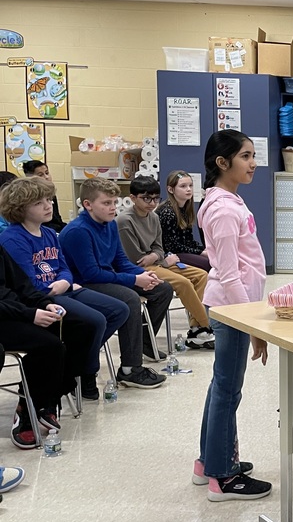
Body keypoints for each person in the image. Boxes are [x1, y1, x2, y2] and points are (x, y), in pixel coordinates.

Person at [0, 177, 129, 400]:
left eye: (49, 200)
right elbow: (27, 284)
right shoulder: (12, 239)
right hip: (42, 296)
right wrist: (60, 285)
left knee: (119, 309)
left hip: (61, 288)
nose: (49, 205)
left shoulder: (49, 233)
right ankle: (85, 372)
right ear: (20, 208)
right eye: (39, 203)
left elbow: (64, 268)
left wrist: (64, 282)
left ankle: (75, 361)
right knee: (94, 321)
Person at [195, 130, 271, 501]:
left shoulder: (229, 202)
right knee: (227, 390)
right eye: (244, 156)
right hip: (231, 309)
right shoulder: (224, 209)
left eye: (253, 154)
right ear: (222, 163)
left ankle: (208, 460)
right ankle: (222, 477)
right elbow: (228, 273)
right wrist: (252, 322)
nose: (253, 163)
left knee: (221, 386)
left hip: (231, 306)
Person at [59, 178, 169, 389]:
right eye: (106, 203)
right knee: (129, 299)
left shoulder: (110, 224)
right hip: (82, 285)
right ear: (88, 204)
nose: (112, 208)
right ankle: (130, 368)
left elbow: (120, 261)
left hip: (104, 277)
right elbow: (91, 274)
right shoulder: (78, 231)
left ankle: (144, 342)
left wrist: (143, 275)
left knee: (162, 288)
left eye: (114, 202)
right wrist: (135, 280)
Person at [1, 245, 101, 448]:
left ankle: (49, 398)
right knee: (50, 345)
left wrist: (44, 303)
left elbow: (22, 285)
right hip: (6, 317)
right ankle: (29, 409)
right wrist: (29, 314)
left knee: (83, 327)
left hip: (17, 311)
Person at [117, 175, 214, 350]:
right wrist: (156, 256)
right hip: (142, 268)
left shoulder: (153, 217)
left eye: (155, 198)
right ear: (132, 198)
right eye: (146, 198)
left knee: (201, 275)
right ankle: (207, 325)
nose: (152, 202)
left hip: (159, 262)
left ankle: (196, 328)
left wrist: (155, 255)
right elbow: (137, 258)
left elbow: (159, 248)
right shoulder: (125, 221)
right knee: (183, 282)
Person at [156, 170, 209, 271]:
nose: (189, 189)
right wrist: (200, 253)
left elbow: (188, 240)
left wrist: (203, 249)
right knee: (207, 264)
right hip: (169, 254)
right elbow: (172, 246)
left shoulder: (185, 209)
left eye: (190, 185)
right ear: (171, 190)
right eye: (183, 186)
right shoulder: (168, 212)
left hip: (180, 251)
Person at [22, 160, 66, 233]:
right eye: (40, 175)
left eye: (47, 173)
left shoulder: (51, 194)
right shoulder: (29, 197)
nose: (46, 177)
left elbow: (57, 220)